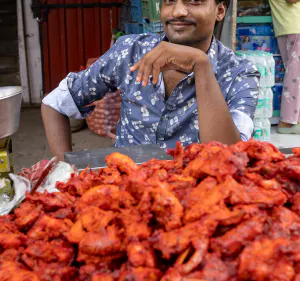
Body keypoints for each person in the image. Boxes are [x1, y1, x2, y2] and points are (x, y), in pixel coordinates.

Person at [42, 0, 260, 161]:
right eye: (169, 2)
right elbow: (55, 104)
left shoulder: (240, 73)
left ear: (220, 10)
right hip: (125, 196)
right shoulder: (129, 51)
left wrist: (201, 66)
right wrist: (65, 171)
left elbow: (230, 158)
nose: (178, 11)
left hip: (195, 201)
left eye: (194, 1)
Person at [269, 0, 300, 134]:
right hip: (294, 25)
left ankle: (293, 120)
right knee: (295, 75)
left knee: (294, 74)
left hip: (287, 25)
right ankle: (287, 122)